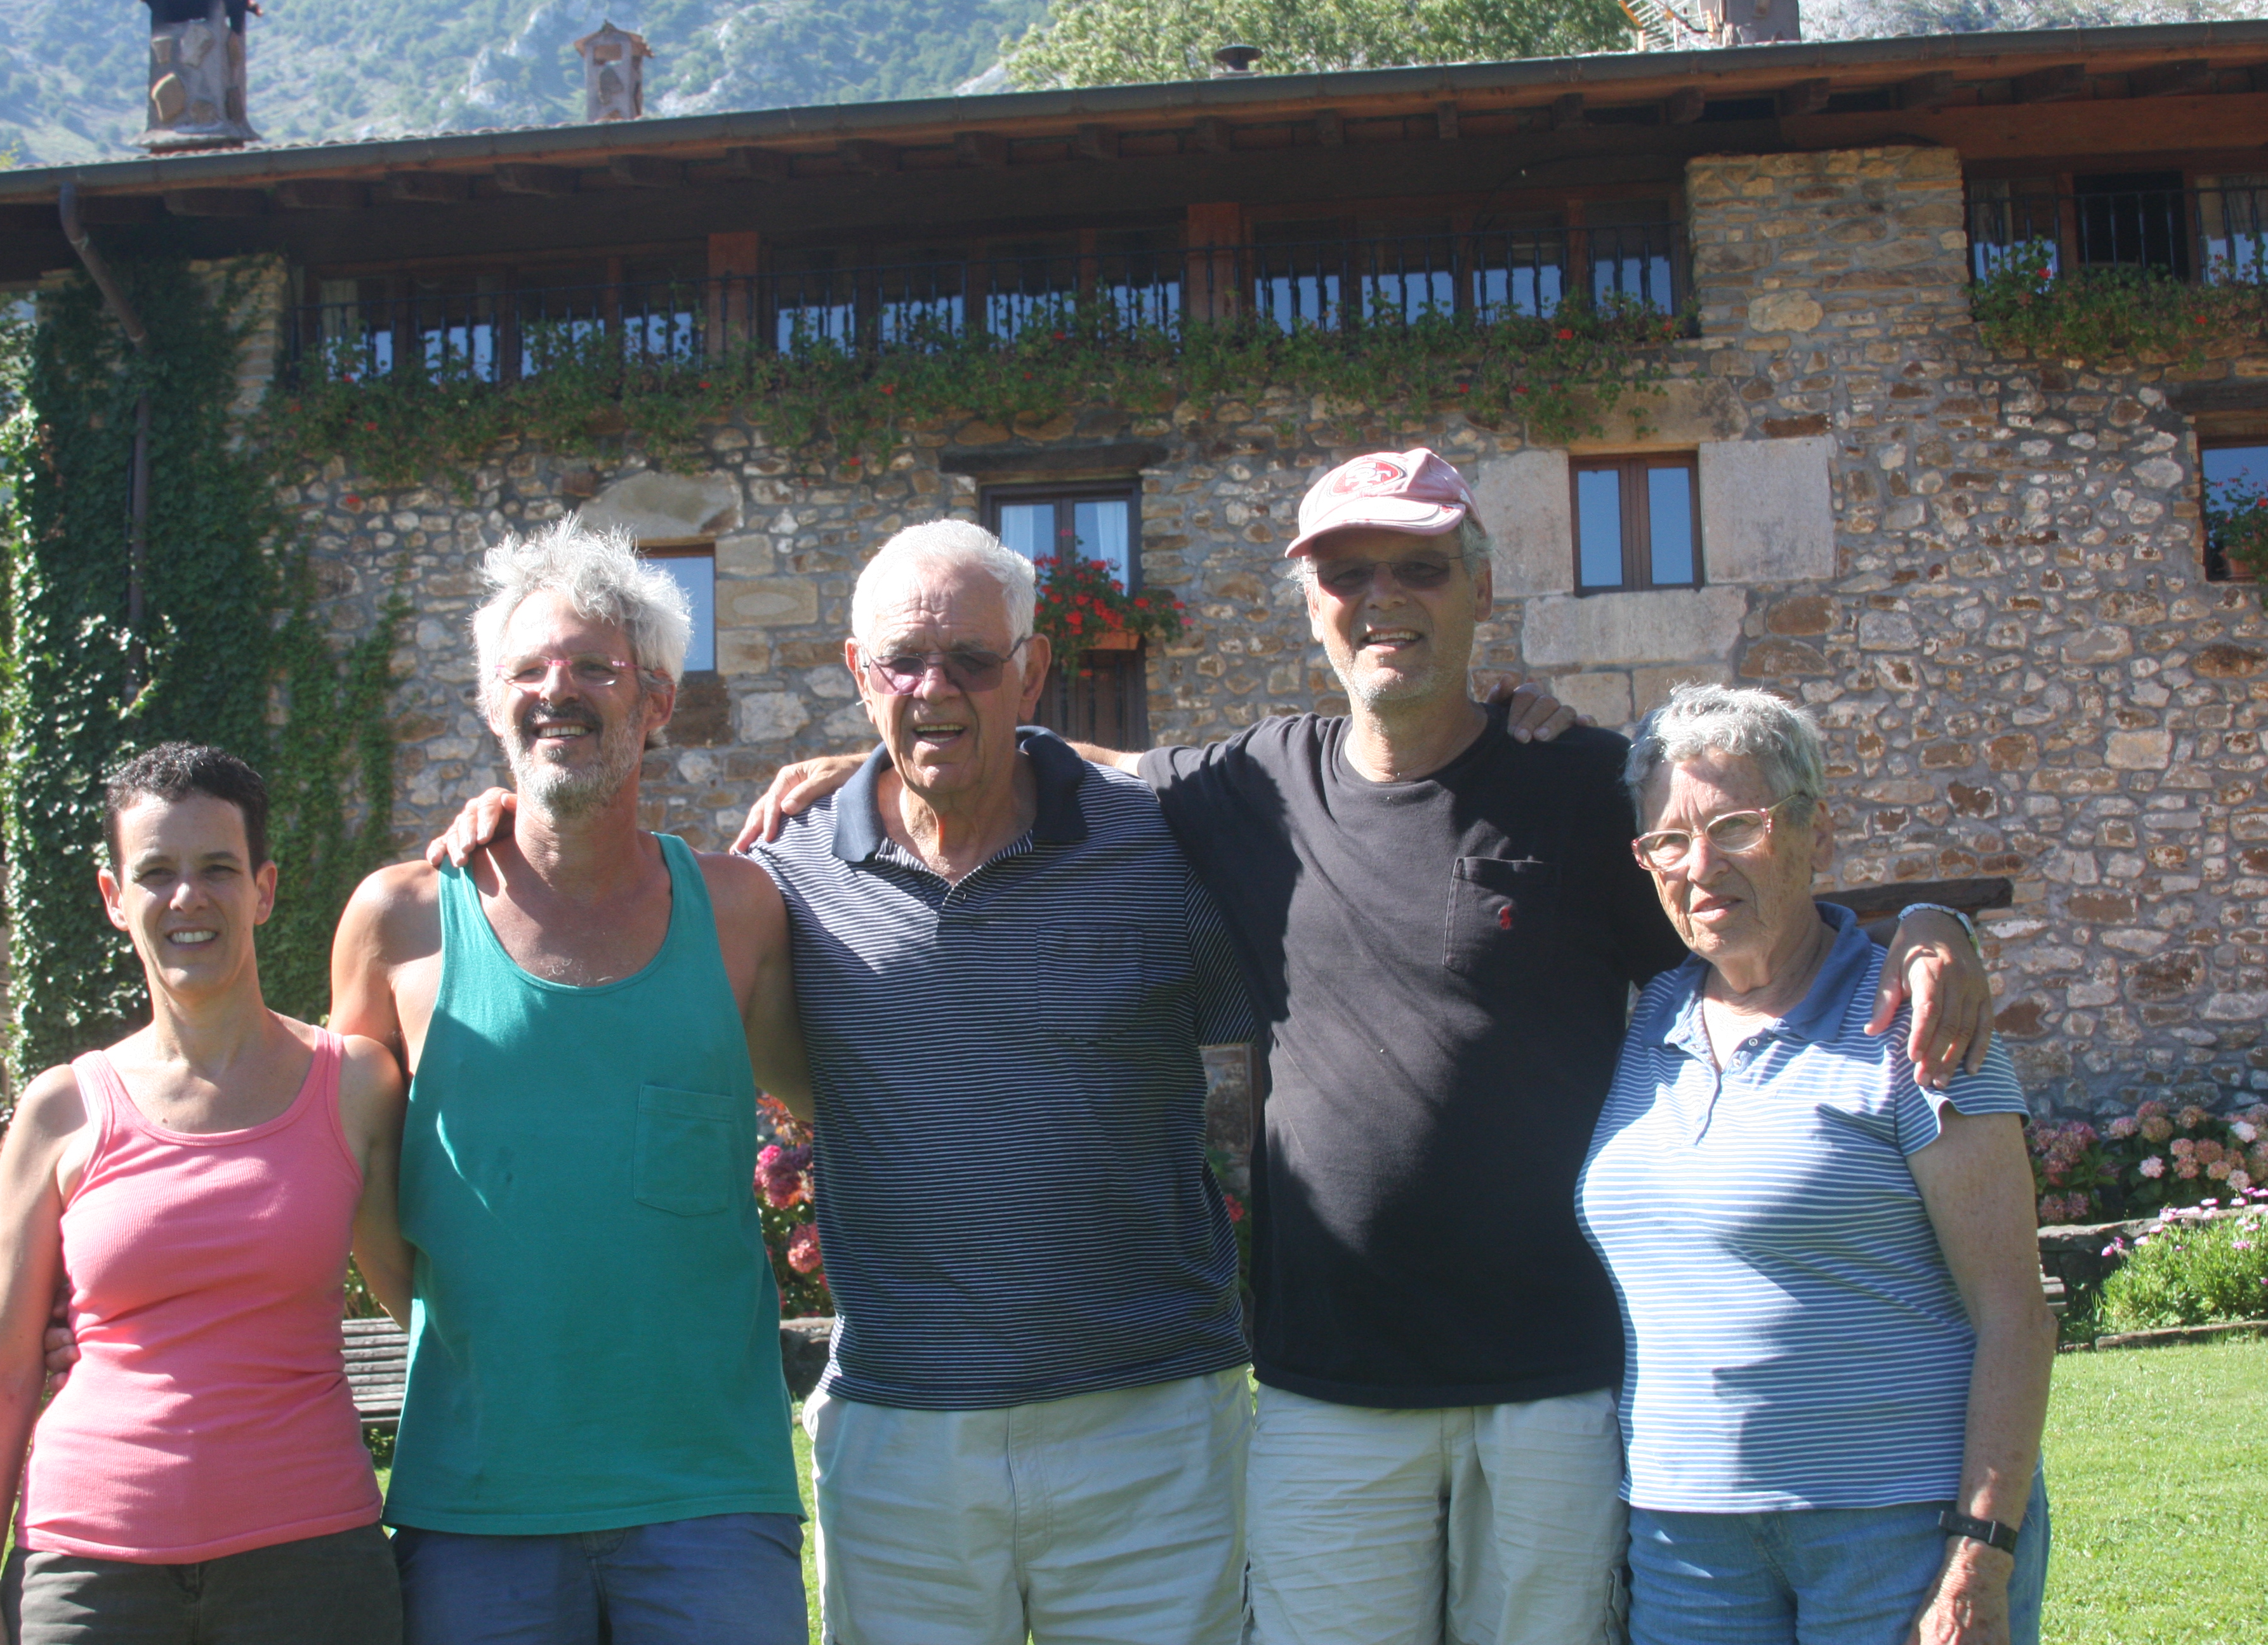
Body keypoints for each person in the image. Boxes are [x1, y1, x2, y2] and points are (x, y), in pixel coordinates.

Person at [740, 450, 1994, 1645]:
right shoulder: (1251, 785)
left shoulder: (1580, 783)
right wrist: (888, 749)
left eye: (1421, 568)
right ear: (1311, 605)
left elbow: (1743, 897)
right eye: (1348, 574)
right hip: (1325, 1393)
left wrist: (1930, 927)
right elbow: (1048, 758)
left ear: (1481, 589)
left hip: (1551, 1380)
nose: (1383, 598)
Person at [433, 521, 1260, 1643]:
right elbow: (615, 918)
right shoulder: (787, 877)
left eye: (973, 661)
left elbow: (1309, 994)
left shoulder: (1157, 850)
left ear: (1031, 671)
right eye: (902, 664)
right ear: (857, 674)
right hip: (904, 1439)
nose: (935, 689)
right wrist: (511, 821)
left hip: (1149, 1426)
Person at [329, 516, 810, 1645]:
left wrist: (864, 774)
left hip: (711, 1496)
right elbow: (347, 1179)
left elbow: (848, 1107)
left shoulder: (741, 913)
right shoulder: (399, 920)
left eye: (596, 667)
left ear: (657, 701)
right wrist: (471, 1335)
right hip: (477, 1501)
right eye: (529, 670)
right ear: (490, 703)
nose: (559, 690)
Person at [1578, 683, 2052, 1645]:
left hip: (1896, 1526)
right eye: (1668, 840)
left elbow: (2015, 1311)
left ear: (1815, 833)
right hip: (1683, 1537)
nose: (1700, 866)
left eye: (1735, 827)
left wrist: (1980, 1554)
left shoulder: (1916, 1024)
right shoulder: (1646, 1021)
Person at [0, 742, 409, 1645]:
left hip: (310, 1566)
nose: (187, 897)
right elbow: (0, 1370)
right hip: (86, 1572)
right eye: (156, 872)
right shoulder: (61, 1109)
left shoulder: (355, 1085)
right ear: (114, 897)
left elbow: (424, 1302)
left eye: (218, 869)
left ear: (264, 890)